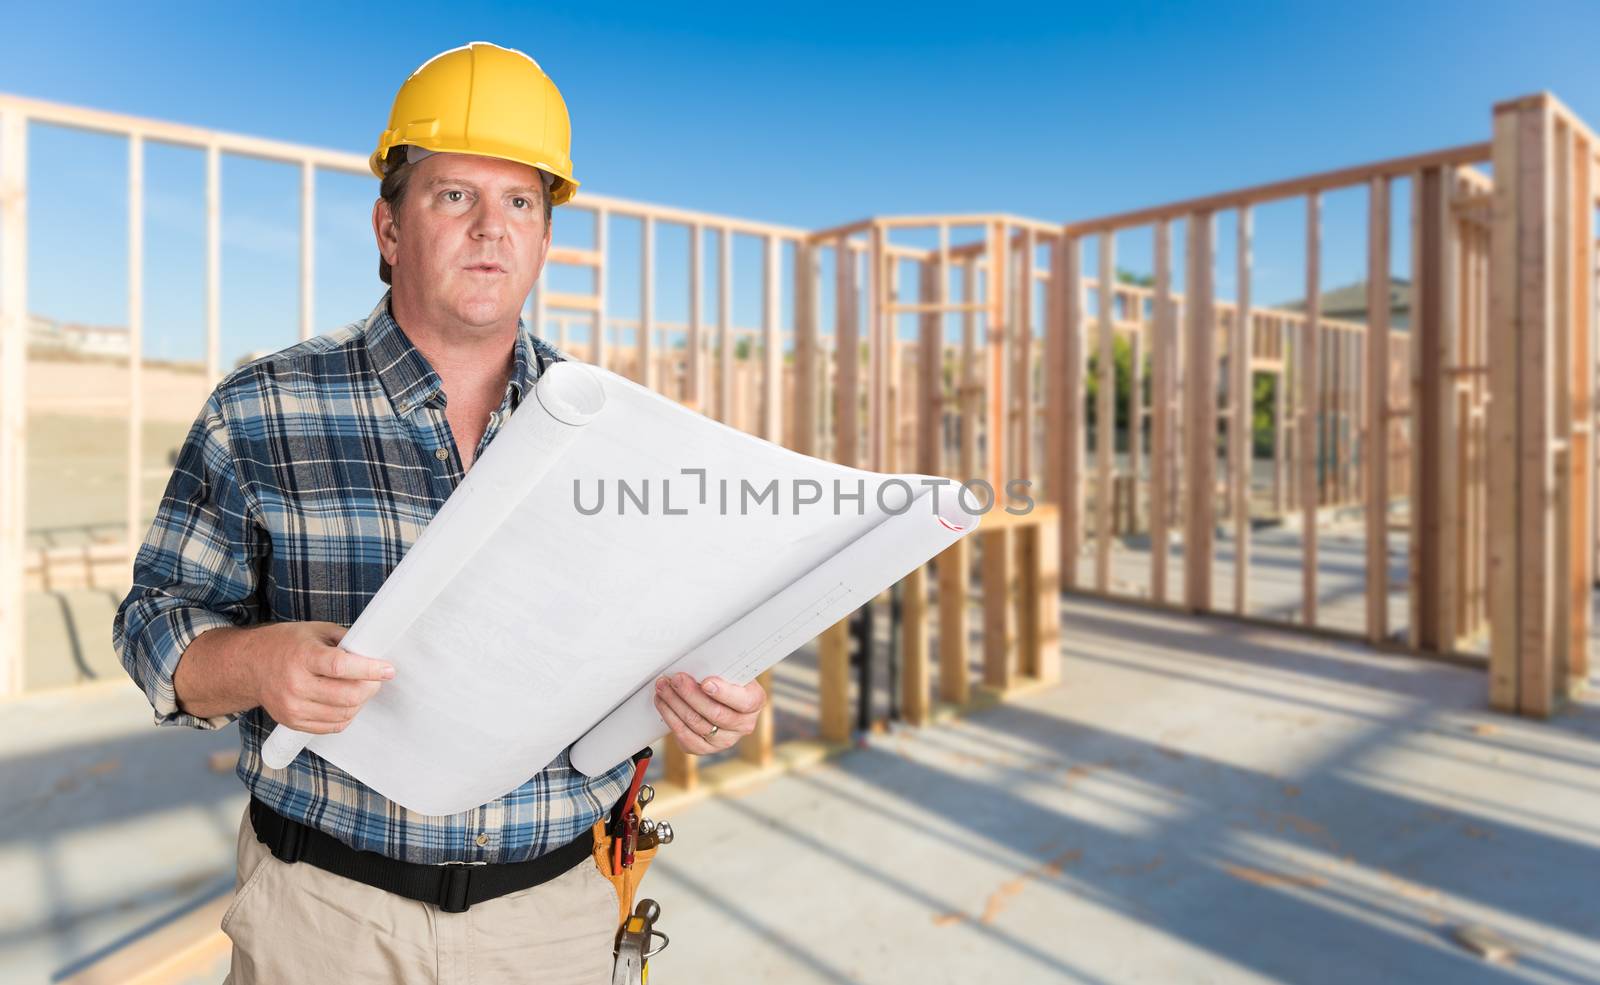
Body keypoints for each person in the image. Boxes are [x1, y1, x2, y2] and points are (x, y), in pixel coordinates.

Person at [112, 41, 767, 985]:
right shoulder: (264, 407)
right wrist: (259, 663)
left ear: (545, 237)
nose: (491, 230)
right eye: (454, 195)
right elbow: (154, 622)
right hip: (324, 919)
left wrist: (703, 696)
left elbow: (661, 640)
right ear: (389, 227)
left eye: (520, 203)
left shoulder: (618, 434)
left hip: (553, 923)